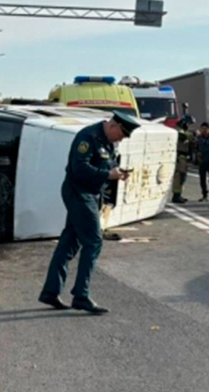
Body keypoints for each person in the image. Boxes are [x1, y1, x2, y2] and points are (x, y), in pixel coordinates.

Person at [39, 112, 141, 315]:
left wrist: (117, 172)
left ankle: (51, 291)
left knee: (70, 241)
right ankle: (81, 295)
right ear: (113, 126)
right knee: (94, 241)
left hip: (90, 194)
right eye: (121, 135)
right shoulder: (87, 137)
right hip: (78, 192)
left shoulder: (108, 142)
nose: (121, 139)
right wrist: (107, 174)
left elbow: (107, 165)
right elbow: (79, 169)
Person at [171, 115, 195, 204]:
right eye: (189, 124)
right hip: (179, 156)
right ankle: (176, 195)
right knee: (178, 176)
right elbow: (185, 137)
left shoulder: (183, 131)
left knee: (182, 176)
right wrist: (193, 135)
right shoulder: (178, 131)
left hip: (184, 157)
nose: (190, 126)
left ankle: (179, 194)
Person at [194, 122, 209, 202]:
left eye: (206, 129)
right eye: (202, 129)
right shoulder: (199, 138)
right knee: (202, 179)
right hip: (202, 161)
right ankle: (204, 195)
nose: (204, 131)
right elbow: (195, 148)